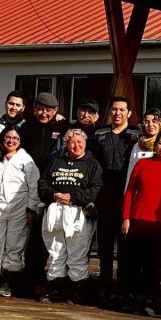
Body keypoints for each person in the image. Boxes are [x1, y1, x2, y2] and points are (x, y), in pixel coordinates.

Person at [121, 129, 161, 316]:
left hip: (160, 224)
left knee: (153, 266)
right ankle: (130, 298)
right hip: (137, 220)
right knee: (132, 263)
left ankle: (148, 299)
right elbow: (130, 191)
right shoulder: (142, 164)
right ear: (155, 145)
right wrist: (126, 218)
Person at [38, 129, 103, 303]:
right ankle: (54, 289)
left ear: (85, 143)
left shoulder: (92, 164)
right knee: (56, 252)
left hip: (78, 213)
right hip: (55, 212)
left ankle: (77, 291)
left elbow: (95, 189)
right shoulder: (55, 161)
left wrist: (73, 197)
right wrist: (54, 195)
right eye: (72, 142)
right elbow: (43, 184)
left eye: (80, 142)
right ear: (66, 144)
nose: (76, 145)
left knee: (77, 253)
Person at [0, 127, 39, 298]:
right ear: (2, 139)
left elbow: (34, 187)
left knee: (14, 246)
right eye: (8, 137)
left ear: (20, 141)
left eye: (15, 138)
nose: (11, 141)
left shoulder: (26, 161)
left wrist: (31, 208)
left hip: (19, 210)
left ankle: (7, 282)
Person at [19, 91, 69, 297]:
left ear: (55, 111)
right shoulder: (26, 128)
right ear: (34, 109)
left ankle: (42, 278)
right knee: (23, 234)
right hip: (26, 186)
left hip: (50, 187)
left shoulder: (62, 127)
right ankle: (23, 278)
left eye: (48, 110)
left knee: (45, 235)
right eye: (40, 109)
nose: (43, 113)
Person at [92, 96, 139, 295]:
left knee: (125, 243)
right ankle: (105, 283)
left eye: (122, 110)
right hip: (104, 195)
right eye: (114, 109)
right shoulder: (100, 134)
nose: (117, 113)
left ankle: (123, 286)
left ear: (129, 113)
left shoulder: (136, 135)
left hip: (126, 194)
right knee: (105, 242)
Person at [123, 108, 161, 192]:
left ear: (160, 123)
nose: (150, 125)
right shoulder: (138, 145)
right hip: (140, 192)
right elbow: (131, 173)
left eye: (154, 121)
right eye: (147, 122)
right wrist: (127, 193)